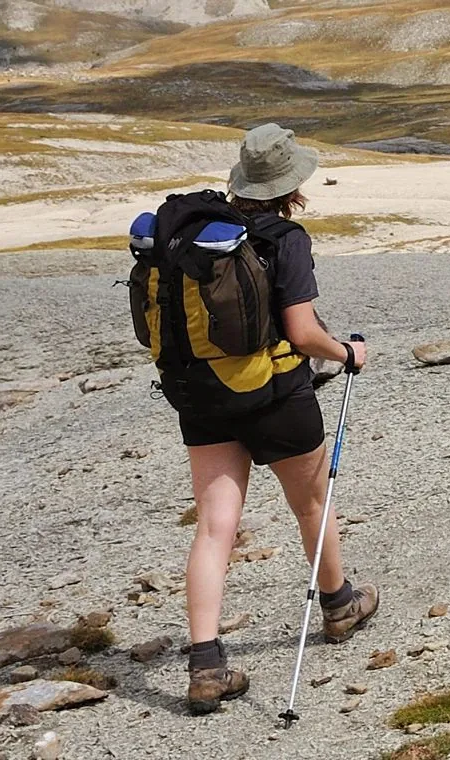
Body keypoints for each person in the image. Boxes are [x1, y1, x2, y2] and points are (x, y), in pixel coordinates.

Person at [173, 124, 380, 715]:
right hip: (274, 395)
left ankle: (206, 665)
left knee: (215, 526)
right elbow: (303, 333)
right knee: (312, 502)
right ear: (291, 184)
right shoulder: (284, 238)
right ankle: (339, 605)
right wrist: (347, 353)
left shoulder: (199, 235)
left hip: (202, 395)